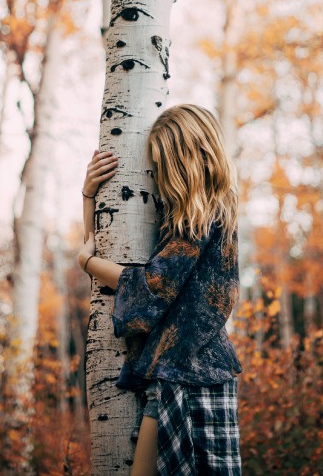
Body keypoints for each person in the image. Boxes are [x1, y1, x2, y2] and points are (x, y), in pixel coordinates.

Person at [78, 104, 243, 475]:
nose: (158, 177)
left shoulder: (201, 218)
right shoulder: (190, 216)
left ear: (184, 161)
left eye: (161, 166)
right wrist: (89, 196)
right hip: (178, 373)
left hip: (193, 377)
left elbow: (152, 286)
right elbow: (99, 248)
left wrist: (86, 264)